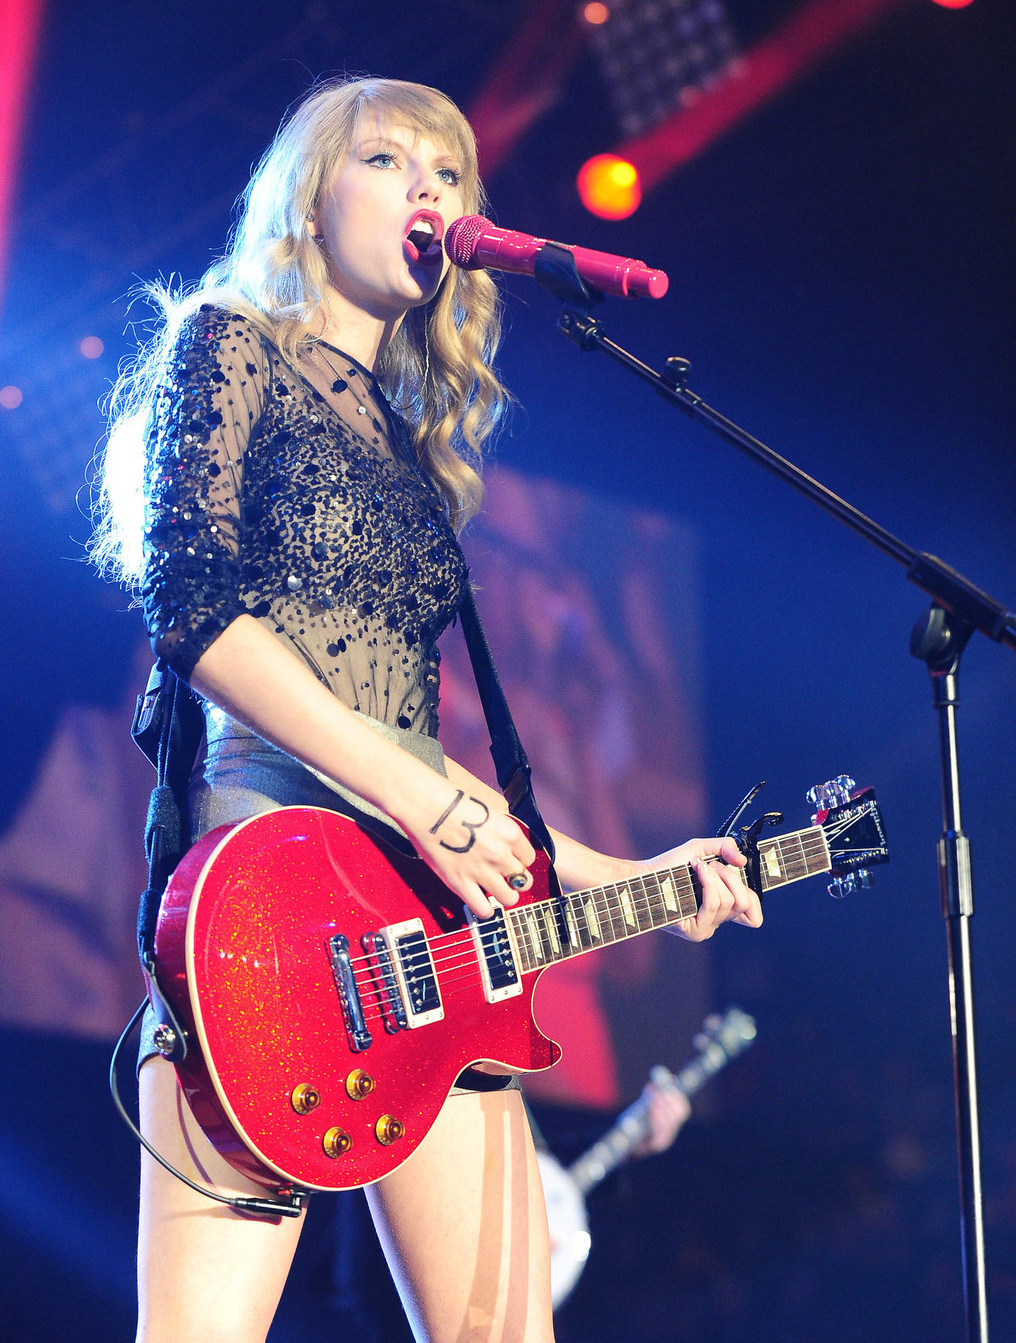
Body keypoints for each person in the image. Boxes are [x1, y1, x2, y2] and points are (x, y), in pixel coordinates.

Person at [91, 75, 762, 1343]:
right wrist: (410, 795)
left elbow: (422, 763)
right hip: (263, 925)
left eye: (449, 174)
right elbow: (190, 604)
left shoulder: (410, 449)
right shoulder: (226, 342)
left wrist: (629, 871)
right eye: (391, 161)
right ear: (307, 200)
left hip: (420, 942)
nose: (431, 193)